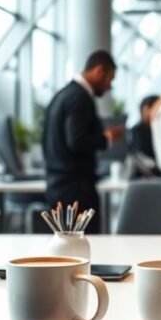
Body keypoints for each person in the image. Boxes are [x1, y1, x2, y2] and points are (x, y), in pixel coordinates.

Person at [42, 50, 125, 233]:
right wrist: (107, 138)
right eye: (110, 78)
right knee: (84, 250)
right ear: (99, 71)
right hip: (76, 192)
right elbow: (77, 141)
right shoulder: (80, 98)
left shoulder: (61, 95)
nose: (109, 86)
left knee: (67, 252)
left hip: (58, 187)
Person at [129, 95, 161, 177]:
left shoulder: (158, 128)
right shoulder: (138, 130)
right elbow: (140, 155)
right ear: (146, 109)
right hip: (146, 173)